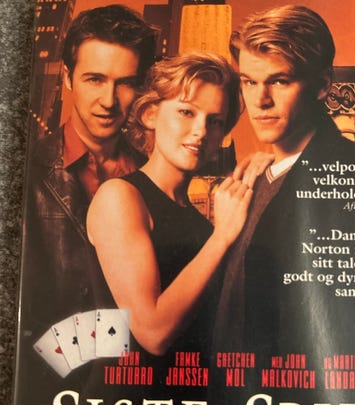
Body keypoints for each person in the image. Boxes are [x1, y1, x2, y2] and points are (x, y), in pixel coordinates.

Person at [211, 5, 355, 405]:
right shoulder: (254, 177)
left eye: (280, 81)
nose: (260, 101)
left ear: (321, 85)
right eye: (249, 82)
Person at [87, 52, 251, 361]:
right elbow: (153, 333)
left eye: (215, 121)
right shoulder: (119, 197)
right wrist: (222, 236)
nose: (201, 131)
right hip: (131, 391)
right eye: (187, 112)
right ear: (150, 114)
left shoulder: (199, 223)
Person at [22, 5, 156, 334]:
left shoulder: (153, 171)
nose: (108, 101)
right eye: (95, 79)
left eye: (125, 83)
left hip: (137, 362)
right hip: (57, 363)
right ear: (67, 78)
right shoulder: (25, 176)